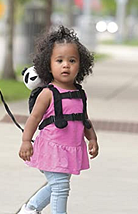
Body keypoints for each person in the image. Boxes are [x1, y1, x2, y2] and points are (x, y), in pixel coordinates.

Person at [18, 26, 99, 214]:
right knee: (61, 186)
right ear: (48, 64)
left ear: (81, 65)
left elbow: (84, 119)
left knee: (58, 184)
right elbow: (34, 118)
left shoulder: (79, 93)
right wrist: (25, 141)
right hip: (52, 148)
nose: (66, 65)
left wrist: (92, 138)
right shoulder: (48, 93)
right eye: (59, 60)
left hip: (70, 149)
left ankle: (30, 209)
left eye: (72, 60)